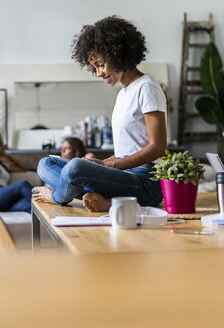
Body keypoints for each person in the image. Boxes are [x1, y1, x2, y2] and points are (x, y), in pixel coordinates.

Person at [32, 15, 167, 212]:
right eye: (95, 68)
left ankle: (57, 196)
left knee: (75, 168)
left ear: (118, 54)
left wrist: (113, 166)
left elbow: (158, 147)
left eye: (101, 65)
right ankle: (105, 198)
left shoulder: (147, 87)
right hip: (123, 176)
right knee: (46, 163)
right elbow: (127, 149)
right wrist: (104, 163)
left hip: (146, 181)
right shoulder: (122, 94)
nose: (99, 73)